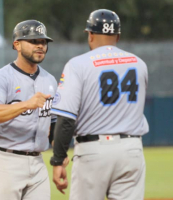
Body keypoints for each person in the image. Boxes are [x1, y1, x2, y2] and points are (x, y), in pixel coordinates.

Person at [49, 9, 149, 200]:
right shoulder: (139, 64)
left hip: (93, 150)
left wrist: (58, 160)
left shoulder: (78, 64)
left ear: (90, 34)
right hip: (132, 149)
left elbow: (67, 118)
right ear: (118, 36)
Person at [0, 20, 58, 200]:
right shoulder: (0, 78)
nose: (40, 46)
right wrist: (26, 104)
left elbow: (53, 122)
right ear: (17, 45)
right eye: (33, 41)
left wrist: (59, 153)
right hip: (4, 160)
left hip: (37, 161)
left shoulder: (50, 80)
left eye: (43, 42)